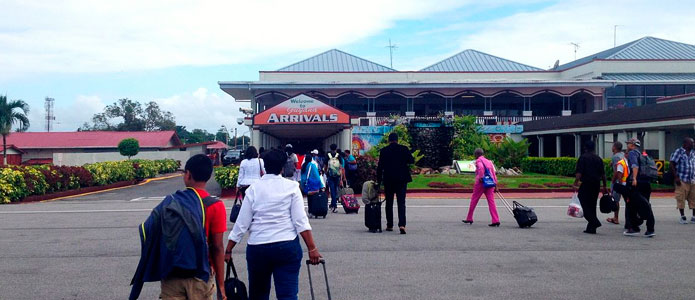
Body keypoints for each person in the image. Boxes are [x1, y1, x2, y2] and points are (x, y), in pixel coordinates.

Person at [225, 149, 322, 300]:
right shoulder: (292, 188)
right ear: (283, 167)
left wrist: (229, 249)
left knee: (258, 295)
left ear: (264, 166)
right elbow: (300, 221)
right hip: (286, 246)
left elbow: (242, 224)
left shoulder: (253, 189)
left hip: (258, 248)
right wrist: (312, 248)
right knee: (288, 295)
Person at [129, 154, 227, 300]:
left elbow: (152, 233)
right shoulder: (215, 205)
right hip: (200, 276)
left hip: (171, 274)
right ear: (208, 176)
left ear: (188, 175)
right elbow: (217, 247)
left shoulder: (171, 202)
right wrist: (221, 286)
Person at [376, 133, 414, 234]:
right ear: (397, 140)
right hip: (401, 179)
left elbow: (380, 167)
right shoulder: (404, 149)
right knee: (401, 202)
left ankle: (389, 224)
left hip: (389, 179)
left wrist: (378, 181)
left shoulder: (384, 151)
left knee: (389, 202)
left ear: (389, 140)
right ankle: (402, 225)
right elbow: (411, 160)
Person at [573, 140, 608, 234]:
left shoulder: (583, 158)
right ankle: (591, 228)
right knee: (592, 205)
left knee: (583, 203)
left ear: (585, 148)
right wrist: (604, 186)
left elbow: (579, 172)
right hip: (596, 184)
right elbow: (603, 174)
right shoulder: (598, 159)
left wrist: (576, 182)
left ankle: (594, 221)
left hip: (586, 183)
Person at [462, 148, 500, 227]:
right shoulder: (489, 162)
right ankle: (495, 220)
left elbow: (481, 168)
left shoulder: (479, 161)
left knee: (474, 200)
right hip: (490, 183)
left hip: (481, 184)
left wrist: (481, 177)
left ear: (476, 154)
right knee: (491, 202)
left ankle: (469, 218)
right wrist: (495, 185)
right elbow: (493, 173)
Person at [670, 137, 695, 224]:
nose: (693, 144)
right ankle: (683, 216)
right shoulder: (678, 152)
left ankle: (693, 216)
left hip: (692, 179)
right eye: (691, 143)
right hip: (682, 179)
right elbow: (672, 163)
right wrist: (676, 177)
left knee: (693, 198)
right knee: (681, 198)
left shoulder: (693, 153)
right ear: (685, 144)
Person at [607, 142, 627, 225]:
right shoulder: (622, 155)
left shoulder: (615, 157)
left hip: (619, 181)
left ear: (614, 147)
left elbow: (616, 171)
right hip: (626, 180)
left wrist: (613, 181)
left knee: (616, 200)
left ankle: (616, 218)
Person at [325, 144, 345, 213]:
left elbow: (325, 165)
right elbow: (341, 167)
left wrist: (325, 172)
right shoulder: (338, 156)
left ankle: (334, 206)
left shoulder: (328, 155)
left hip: (330, 175)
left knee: (332, 190)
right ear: (336, 148)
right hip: (337, 175)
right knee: (336, 190)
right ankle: (334, 205)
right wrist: (341, 178)